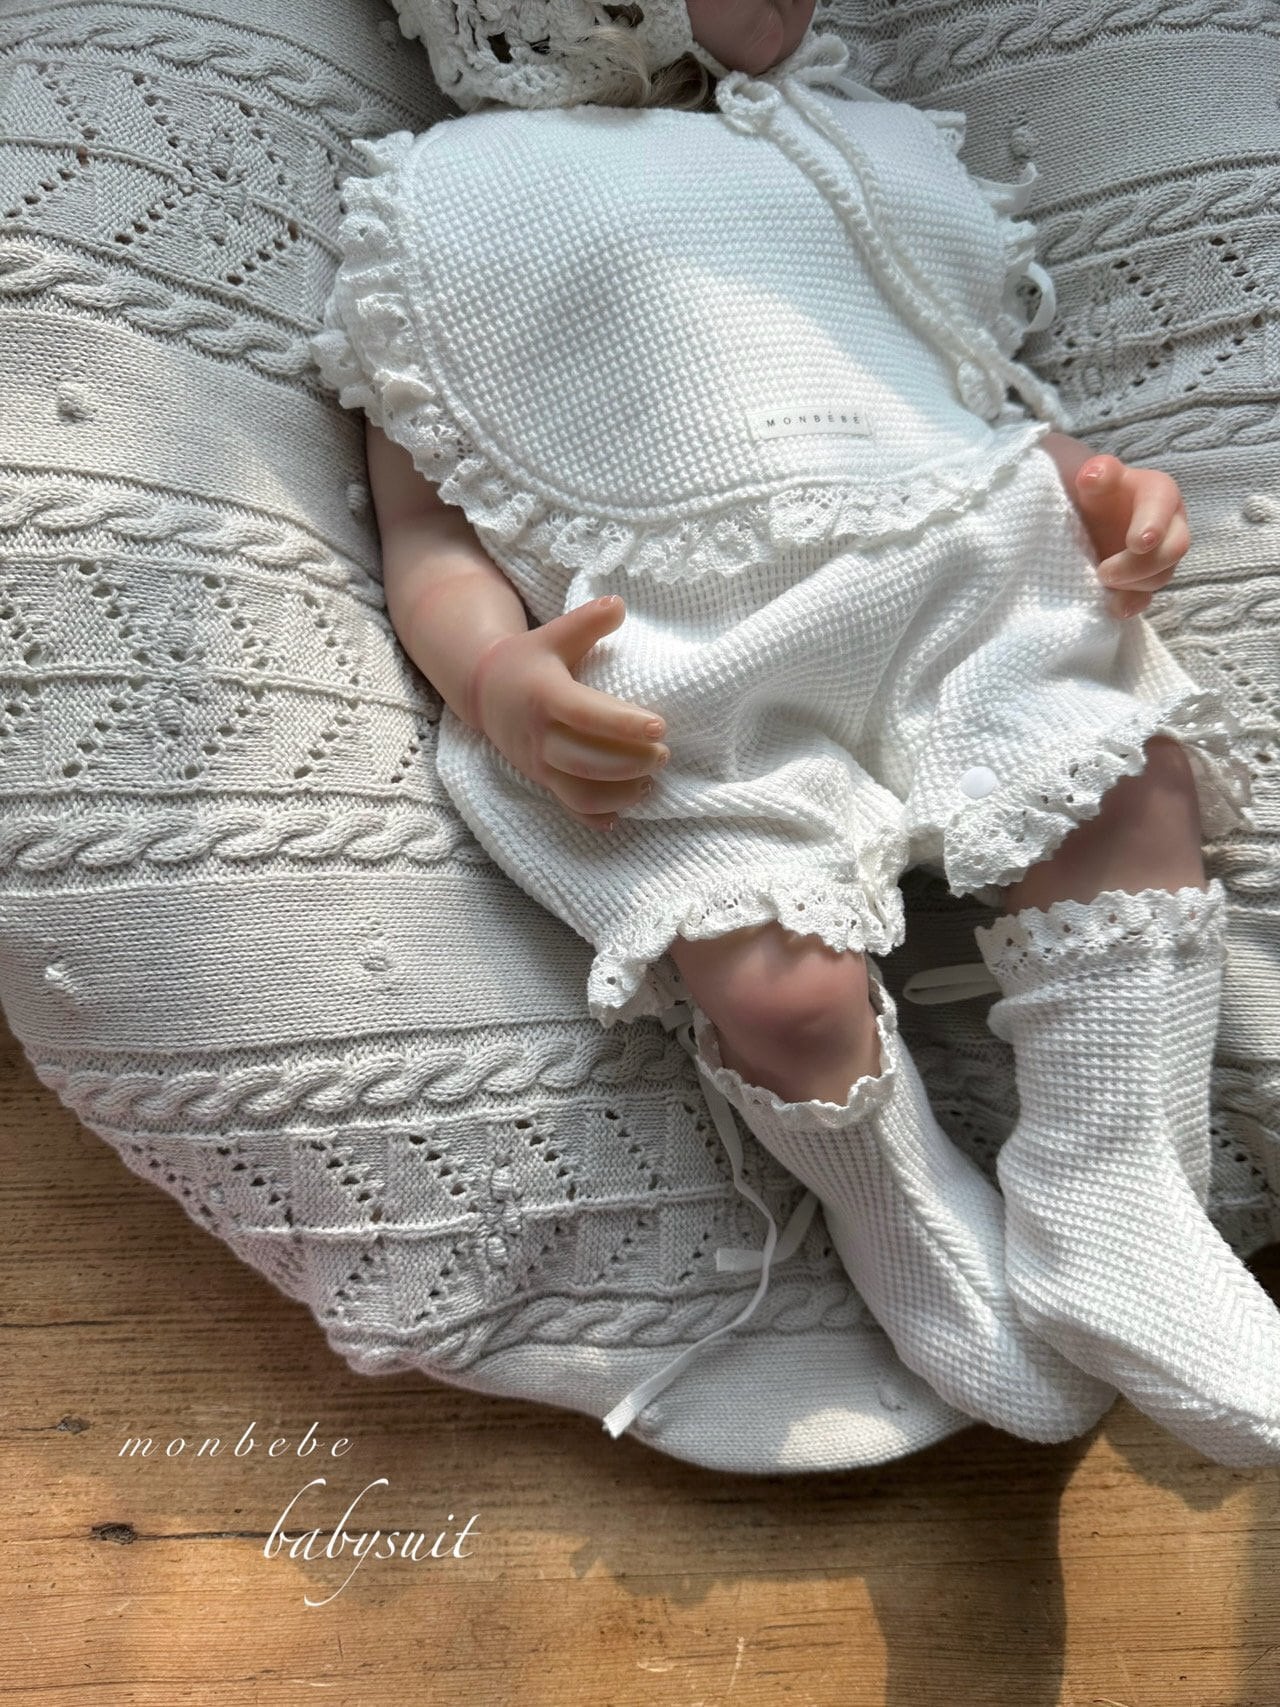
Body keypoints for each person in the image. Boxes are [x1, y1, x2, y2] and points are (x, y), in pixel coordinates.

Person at [310, 0, 1280, 1465]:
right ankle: (894, 1196)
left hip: (956, 574)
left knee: (1123, 782)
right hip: (672, 661)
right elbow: (430, 526)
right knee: (779, 992)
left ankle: (1114, 1169)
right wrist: (498, 675)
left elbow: (950, 384)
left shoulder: (840, 146)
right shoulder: (448, 213)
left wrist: (1095, 485)